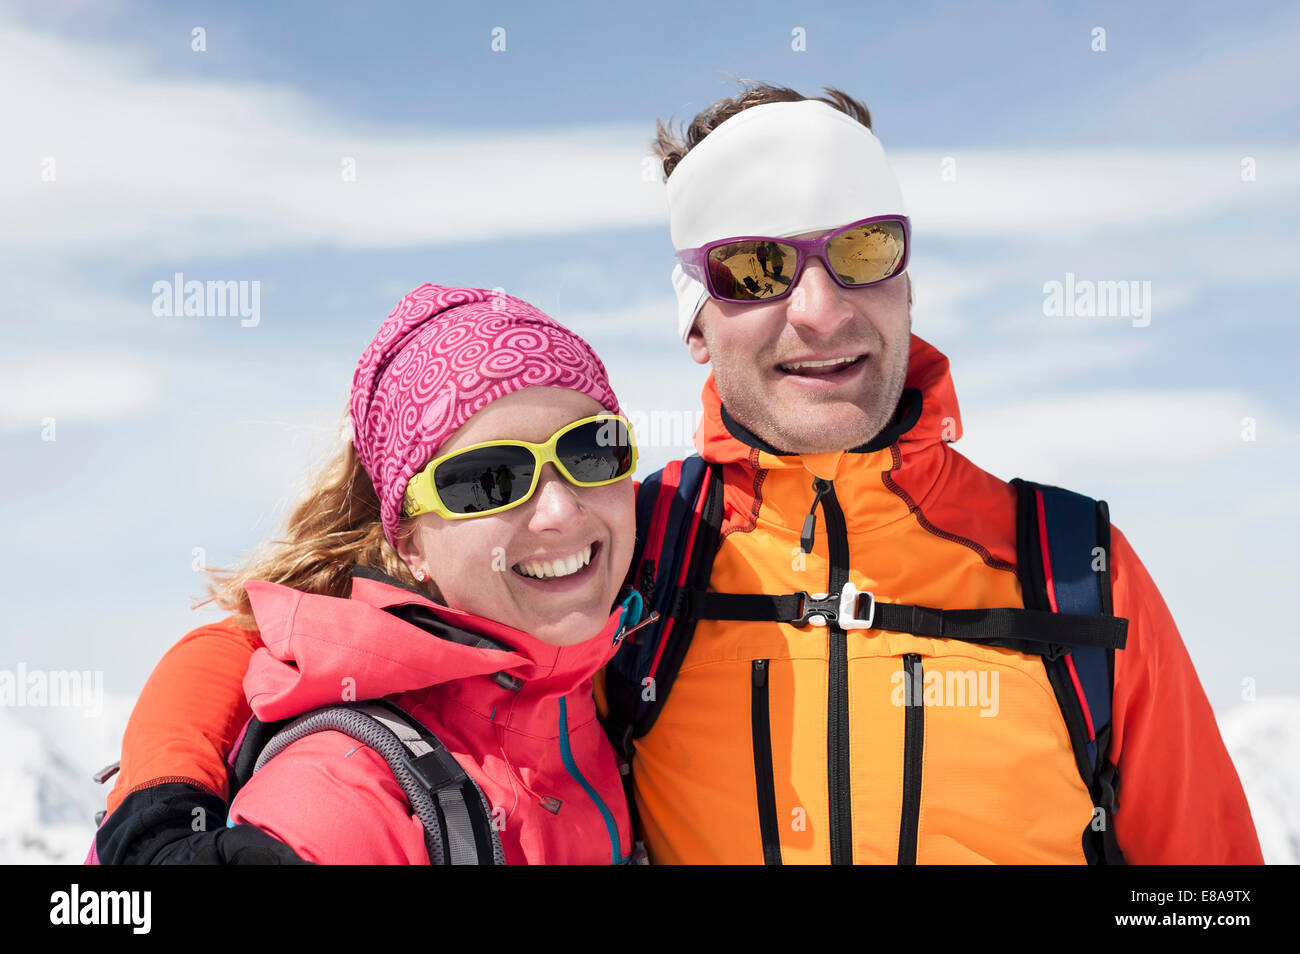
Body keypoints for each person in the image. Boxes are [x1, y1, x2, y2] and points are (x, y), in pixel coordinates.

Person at [93, 84, 1262, 866]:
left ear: (907, 280)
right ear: (697, 324)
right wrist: (157, 813)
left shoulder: (1071, 570)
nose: (819, 309)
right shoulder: (625, 552)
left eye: (860, 249)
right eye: (755, 267)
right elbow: (285, 638)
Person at [91, 284, 641, 864]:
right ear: (408, 543)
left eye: (591, 451)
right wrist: (153, 820)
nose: (561, 511)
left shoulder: (627, 635)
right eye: (489, 481)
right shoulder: (348, 795)